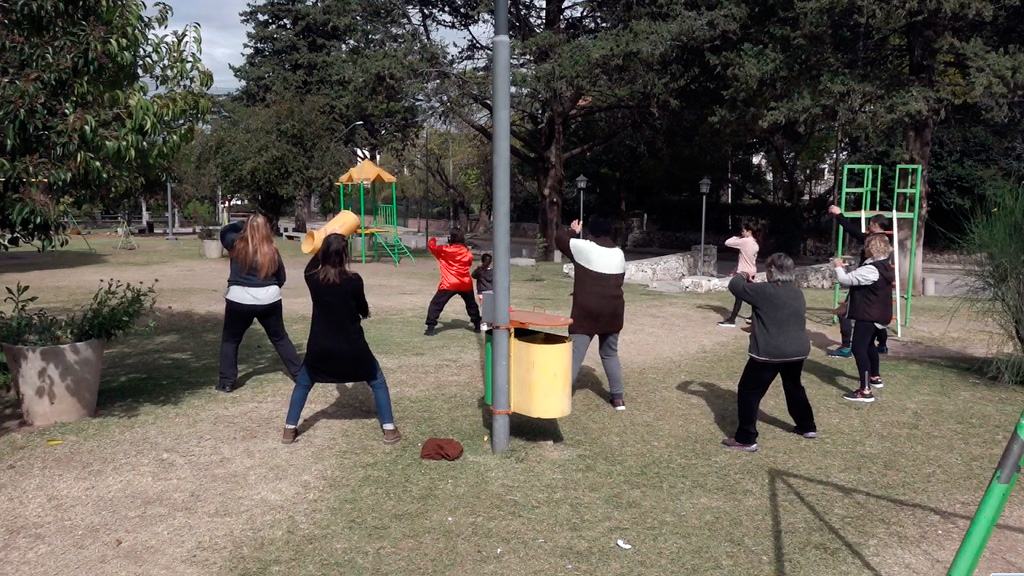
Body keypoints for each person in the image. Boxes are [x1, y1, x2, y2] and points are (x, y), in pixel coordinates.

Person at [283, 234, 401, 445]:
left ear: (323, 253)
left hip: (320, 347)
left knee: (303, 383)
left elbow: (310, 267)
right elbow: (362, 309)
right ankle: (389, 429)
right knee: (377, 380)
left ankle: (289, 430)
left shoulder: (313, 278)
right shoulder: (354, 280)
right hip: (352, 347)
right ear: (345, 254)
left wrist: (324, 242)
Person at [721, 253, 817, 452]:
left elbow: (735, 287)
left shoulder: (765, 291)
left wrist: (742, 274)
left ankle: (746, 437)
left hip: (770, 352)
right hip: (797, 350)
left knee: (749, 391)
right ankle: (807, 426)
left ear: (772, 271)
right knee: (793, 387)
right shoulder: (797, 292)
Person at [217, 214, 302, 393]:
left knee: (231, 341)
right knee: (280, 338)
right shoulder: (272, 250)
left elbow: (224, 231)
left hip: (239, 299)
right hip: (269, 299)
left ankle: (226, 382)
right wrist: (268, 290)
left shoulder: (235, 244)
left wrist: (242, 223)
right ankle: (299, 375)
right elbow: (281, 278)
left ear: (245, 229)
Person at [555, 217, 628, 411]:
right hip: (613, 311)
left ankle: (559, 394)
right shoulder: (619, 253)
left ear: (590, 231)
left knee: (574, 354)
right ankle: (618, 398)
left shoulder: (583, 247)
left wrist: (573, 230)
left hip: (586, 311)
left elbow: (559, 239)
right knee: (610, 354)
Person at [834, 235, 894, 403]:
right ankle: (874, 377)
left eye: (866, 246)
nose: (864, 249)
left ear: (872, 248)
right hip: (879, 314)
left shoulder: (872, 269)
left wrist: (838, 267)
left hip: (869, 315)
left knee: (859, 349)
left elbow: (845, 279)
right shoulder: (884, 266)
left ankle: (865, 390)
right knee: (869, 346)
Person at [826, 206, 891, 357]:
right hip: (879, 283)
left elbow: (852, 231)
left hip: (867, 282)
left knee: (845, 312)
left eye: (870, 224)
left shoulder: (873, 240)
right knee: (878, 316)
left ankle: (846, 346)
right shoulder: (887, 241)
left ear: (874, 224)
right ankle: (882, 345)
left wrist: (839, 215)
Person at [424, 228, 481, 335]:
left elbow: (432, 247)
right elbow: (468, 263)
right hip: (465, 282)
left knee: (436, 304)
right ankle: (477, 325)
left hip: (449, 283)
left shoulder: (445, 250)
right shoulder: (467, 252)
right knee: (471, 305)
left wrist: (433, 239)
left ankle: (430, 327)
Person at [718, 221, 759, 327]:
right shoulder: (755, 243)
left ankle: (733, 320)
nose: (742, 232)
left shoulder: (745, 241)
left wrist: (739, 237)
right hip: (751, 271)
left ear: (749, 232)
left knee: (738, 292)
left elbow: (728, 242)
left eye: (743, 231)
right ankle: (751, 316)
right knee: (743, 296)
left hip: (744, 273)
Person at [472, 253, 494, 330]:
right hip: (491, 291)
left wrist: (478, 267)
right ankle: (491, 322)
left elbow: (473, 275)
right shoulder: (492, 271)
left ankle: (484, 323)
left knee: (483, 308)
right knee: (491, 307)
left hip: (481, 292)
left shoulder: (479, 271)